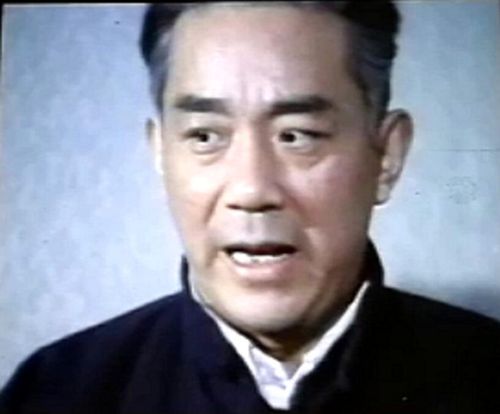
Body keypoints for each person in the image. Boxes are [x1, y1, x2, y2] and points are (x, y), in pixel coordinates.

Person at [1, 2, 500, 413]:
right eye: (205, 136)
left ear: (386, 157)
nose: (252, 189)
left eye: (297, 136)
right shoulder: (56, 391)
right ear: (161, 155)